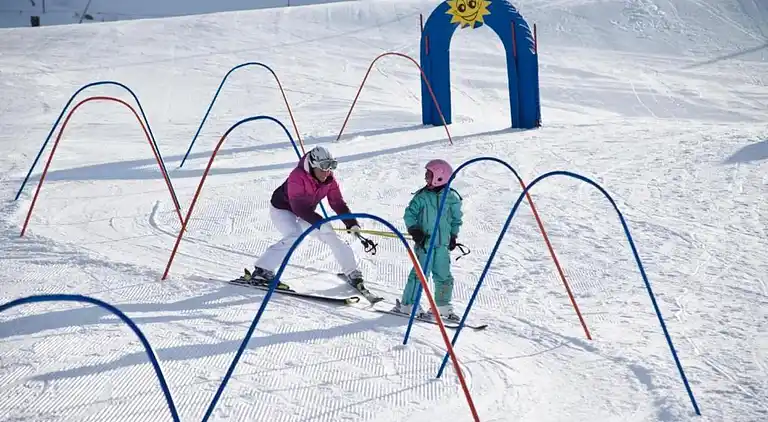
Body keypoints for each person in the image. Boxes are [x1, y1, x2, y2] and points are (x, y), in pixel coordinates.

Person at [244, 145, 366, 289]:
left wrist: (352, 223)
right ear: (313, 165)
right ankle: (263, 270)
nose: (326, 173)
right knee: (294, 235)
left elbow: (337, 203)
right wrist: (320, 222)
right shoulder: (297, 176)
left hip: (305, 212)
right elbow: (299, 207)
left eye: (329, 168)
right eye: (322, 168)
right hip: (283, 209)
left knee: (330, 234)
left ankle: (351, 272)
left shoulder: (329, 180)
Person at [393, 158, 463, 321]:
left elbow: (456, 219)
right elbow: (409, 214)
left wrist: (453, 235)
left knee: (444, 275)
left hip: (442, 246)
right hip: (425, 244)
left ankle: (442, 307)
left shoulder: (452, 197)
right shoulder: (422, 197)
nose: (425, 178)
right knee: (419, 274)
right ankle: (408, 305)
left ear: (440, 176)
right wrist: (415, 231)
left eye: (428, 175)